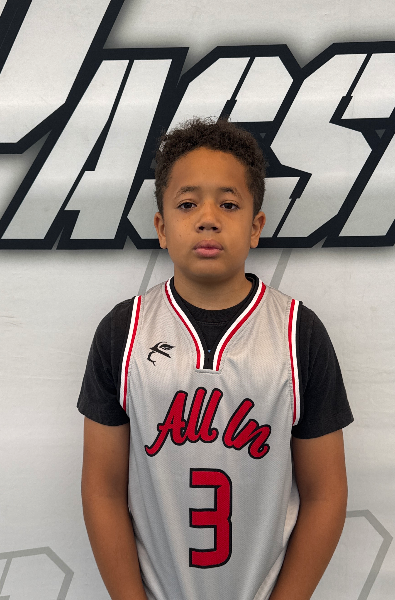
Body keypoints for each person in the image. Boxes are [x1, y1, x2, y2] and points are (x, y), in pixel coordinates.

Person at [78, 117, 353, 600]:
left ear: (255, 227)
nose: (208, 218)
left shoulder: (298, 333)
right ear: (161, 228)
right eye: (187, 204)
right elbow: (102, 488)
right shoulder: (123, 332)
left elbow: (326, 493)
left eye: (228, 204)